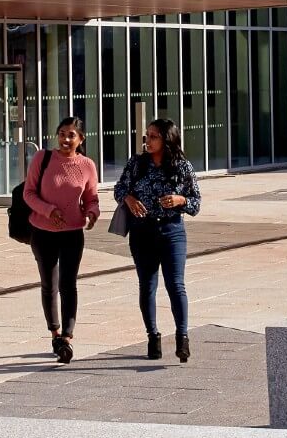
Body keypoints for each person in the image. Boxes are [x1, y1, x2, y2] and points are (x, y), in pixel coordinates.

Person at [113, 118, 200, 362]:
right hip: (142, 232)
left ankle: (182, 338)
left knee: (176, 285)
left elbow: (196, 202)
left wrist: (179, 200)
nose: (147, 140)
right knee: (147, 286)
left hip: (172, 232)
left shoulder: (182, 166)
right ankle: (153, 337)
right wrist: (128, 199)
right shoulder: (137, 163)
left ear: (166, 139)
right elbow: (119, 188)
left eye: (153, 136)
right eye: (147, 135)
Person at [23, 117, 100, 364]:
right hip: (42, 231)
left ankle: (67, 337)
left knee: (69, 284)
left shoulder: (87, 165)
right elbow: (28, 193)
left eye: (72, 135)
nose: (66, 139)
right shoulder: (42, 158)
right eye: (62, 134)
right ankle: (54, 332)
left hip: (72, 233)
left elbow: (92, 198)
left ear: (81, 139)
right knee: (49, 284)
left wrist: (91, 213)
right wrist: (48, 210)